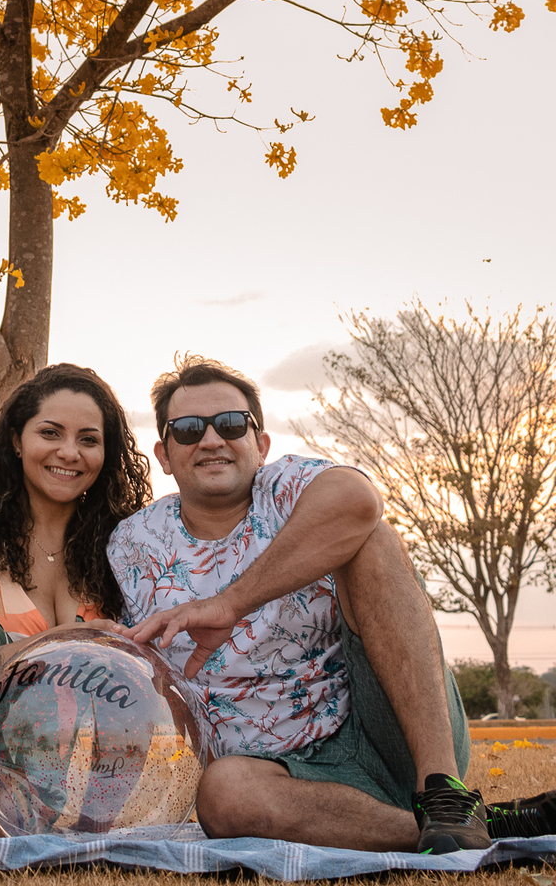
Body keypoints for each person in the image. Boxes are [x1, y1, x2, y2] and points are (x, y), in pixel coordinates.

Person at [108, 354, 495, 855]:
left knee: (374, 541)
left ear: (261, 444)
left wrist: (230, 603)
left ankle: (445, 795)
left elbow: (359, 501)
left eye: (230, 424)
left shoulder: (287, 489)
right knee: (223, 796)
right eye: (187, 430)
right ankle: (477, 829)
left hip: (381, 732)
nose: (210, 440)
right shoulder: (132, 542)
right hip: (268, 777)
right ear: (164, 454)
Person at [0, 362, 151, 840]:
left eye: (88, 439)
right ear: (16, 440)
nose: (69, 452)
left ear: (107, 452)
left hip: (106, 772)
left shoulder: (127, 547)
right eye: (50, 433)